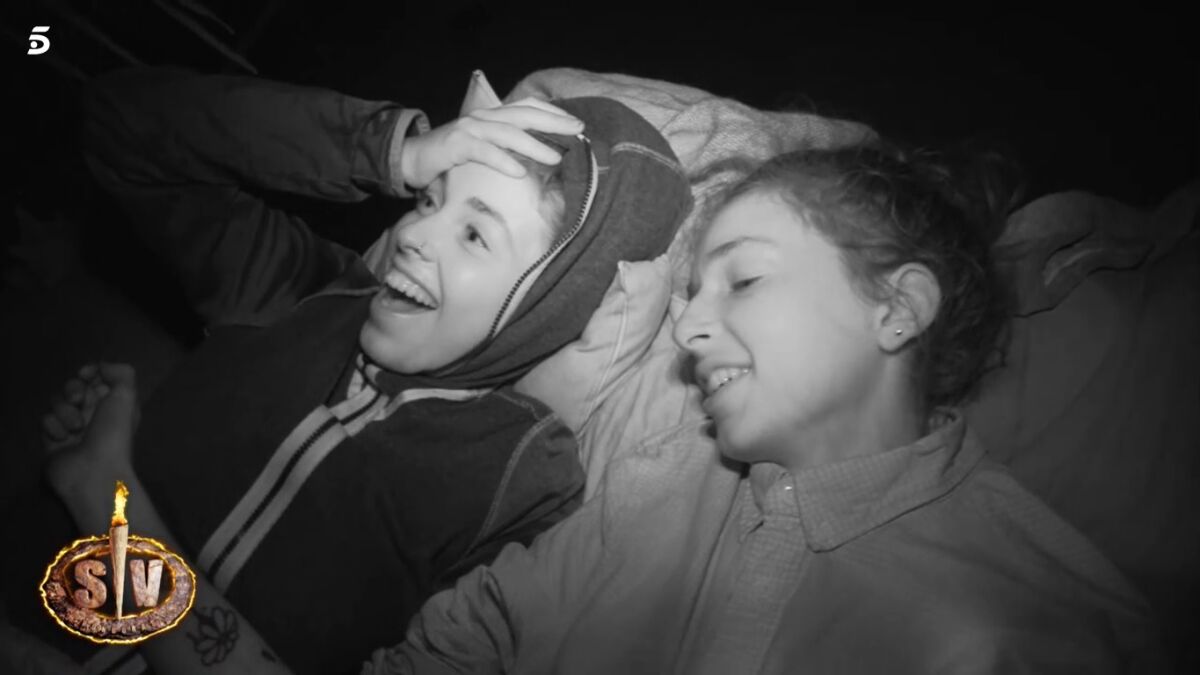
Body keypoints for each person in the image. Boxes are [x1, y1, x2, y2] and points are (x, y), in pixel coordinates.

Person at [375, 145, 1164, 673]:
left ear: (896, 308)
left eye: (743, 280)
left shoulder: (1037, 619)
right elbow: (477, 628)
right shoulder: (662, 479)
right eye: (691, 295)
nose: (687, 327)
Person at [36, 66, 691, 675]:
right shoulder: (302, 293)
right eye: (429, 201)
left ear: (553, 302)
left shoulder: (519, 488)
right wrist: (395, 152)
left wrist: (105, 496)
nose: (409, 235)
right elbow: (123, 122)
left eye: (475, 234)